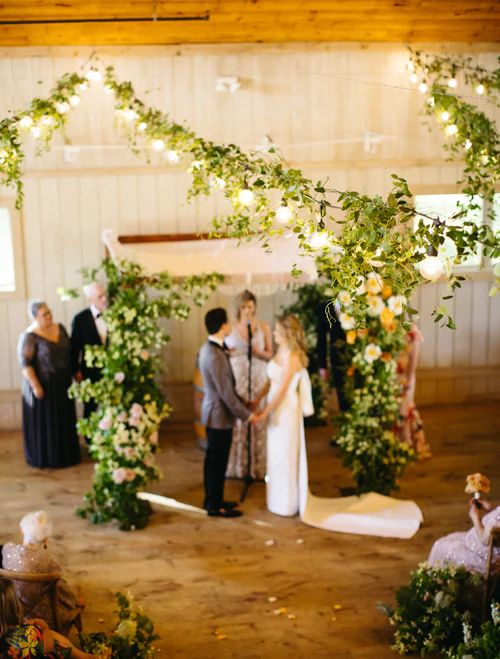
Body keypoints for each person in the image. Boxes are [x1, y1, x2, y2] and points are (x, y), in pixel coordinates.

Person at [251, 315, 423, 538]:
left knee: (285, 454)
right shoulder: (280, 351)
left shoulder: (293, 357)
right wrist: (257, 400)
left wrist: (265, 412)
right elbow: (271, 381)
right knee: (275, 455)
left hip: (285, 410)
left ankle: (287, 503)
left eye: (276, 331)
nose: (273, 335)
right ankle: (276, 499)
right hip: (274, 406)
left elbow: (284, 390)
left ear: (286, 333)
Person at [198, 308, 254, 518]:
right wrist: (248, 415)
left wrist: (243, 402)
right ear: (223, 326)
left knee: (215, 461)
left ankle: (214, 499)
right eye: (228, 321)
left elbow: (227, 389)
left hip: (215, 413)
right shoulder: (215, 355)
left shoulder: (209, 349)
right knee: (217, 462)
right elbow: (226, 394)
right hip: (218, 416)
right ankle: (214, 505)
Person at [17, 301, 80, 469]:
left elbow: (71, 352)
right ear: (35, 317)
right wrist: (35, 385)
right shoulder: (30, 335)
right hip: (44, 385)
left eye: (49, 312)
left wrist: (76, 371)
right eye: (44, 314)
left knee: (64, 419)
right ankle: (48, 457)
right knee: (48, 422)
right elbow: (26, 363)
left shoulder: (60, 328)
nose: (49, 316)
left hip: (63, 383)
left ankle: (66, 455)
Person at [2, 512, 82, 630]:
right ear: (46, 538)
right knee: (73, 595)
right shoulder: (49, 561)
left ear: (22, 531)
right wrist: (74, 601)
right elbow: (62, 590)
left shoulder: (7, 549)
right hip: (41, 617)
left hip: (10, 611)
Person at [225, 290, 273, 480]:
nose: (247, 310)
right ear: (239, 308)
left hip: (259, 378)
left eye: (250, 306)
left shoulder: (264, 327)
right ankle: (239, 467)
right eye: (244, 307)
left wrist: (258, 351)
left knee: (259, 418)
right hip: (240, 380)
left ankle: (259, 467)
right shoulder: (231, 328)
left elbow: (271, 354)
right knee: (240, 419)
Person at [0, 576, 107, 659]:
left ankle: (83, 656)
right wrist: (45, 629)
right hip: (47, 652)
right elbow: (48, 647)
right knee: (51, 638)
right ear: (14, 606)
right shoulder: (28, 634)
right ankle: (85, 656)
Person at [428, 497, 500, 575]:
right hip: (474, 541)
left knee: (440, 546)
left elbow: (485, 540)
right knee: (450, 538)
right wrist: (491, 508)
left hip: (482, 557)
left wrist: (475, 517)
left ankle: (439, 581)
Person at [70, 283, 108, 421]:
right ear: (90, 299)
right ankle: (90, 439)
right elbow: (74, 347)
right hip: (90, 370)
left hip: (112, 368)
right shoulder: (80, 319)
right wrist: (76, 370)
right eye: (100, 296)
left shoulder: (114, 314)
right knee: (91, 406)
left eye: (105, 295)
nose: (104, 299)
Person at [395, 324, 432, 459]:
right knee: (396, 408)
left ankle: (409, 443)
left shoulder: (412, 331)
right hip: (393, 374)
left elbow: (413, 356)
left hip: (405, 375)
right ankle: (396, 443)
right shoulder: (387, 327)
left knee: (405, 407)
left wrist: (409, 378)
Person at [316, 300, 349, 412]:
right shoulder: (326, 307)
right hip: (338, 359)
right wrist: (322, 365)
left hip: (359, 357)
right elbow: (321, 338)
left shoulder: (359, 299)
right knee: (342, 396)